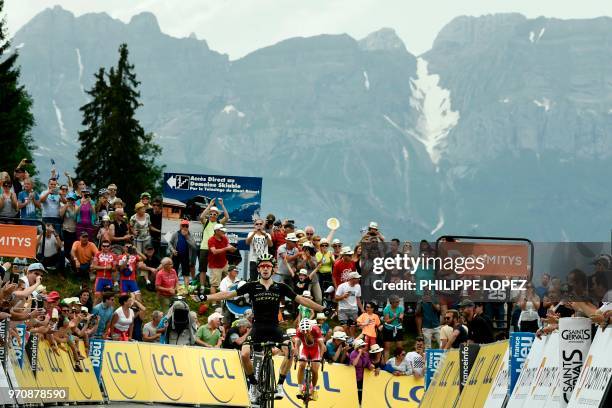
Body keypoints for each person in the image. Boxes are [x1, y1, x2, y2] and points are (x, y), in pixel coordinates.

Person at [195, 253, 326, 403]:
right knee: (244, 354)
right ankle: (253, 385)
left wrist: (322, 308)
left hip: (274, 327)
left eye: (268, 266)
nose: (265, 269)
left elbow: (301, 299)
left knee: (291, 350)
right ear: (258, 269)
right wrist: (206, 297)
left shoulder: (280, 287)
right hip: (257, 327)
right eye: (262, 266)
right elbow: (228, 294)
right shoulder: (251, 286)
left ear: (273, 269)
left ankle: (280, 385)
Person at [198, 199, 229, 287]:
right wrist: (209, 206)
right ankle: (202, 287)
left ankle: (219, 287)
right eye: (211, 213)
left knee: (216, 268)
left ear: (217, 215)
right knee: (203, 269)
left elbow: (226, 217)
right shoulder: (206, 222)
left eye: (214, 214)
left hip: (215, 249)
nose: (212, 215)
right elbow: (201, 217)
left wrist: (222, 204)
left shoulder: (219, 223)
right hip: (204, 248)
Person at [295, 319, 326, 401]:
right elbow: (297, 345)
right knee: (301, 365)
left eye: (307, 330)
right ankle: (299, 388)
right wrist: (296, 355)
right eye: (303, 331)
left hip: (316, 350)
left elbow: (322, 346)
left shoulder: (316, 330)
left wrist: (321, 358)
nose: (305, 332)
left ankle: (314, 389)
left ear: (310, 328)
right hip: (305, 349)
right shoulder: (298, 331)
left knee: (315, 370)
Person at [208, 224, 236, 295]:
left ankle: (224, 301)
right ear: (216, 231)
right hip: (215, 266)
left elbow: (230, 247)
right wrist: (226, 248)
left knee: (228, 282)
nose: (224, 232)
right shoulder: (211, 240)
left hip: (224, 264)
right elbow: (214, 251)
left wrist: (233, 248)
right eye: (222, 231)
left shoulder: (224, 238)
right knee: (214, 285)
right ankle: (214, 303)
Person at [335, 271, 363, 337]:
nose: (359, 279)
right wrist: (343, 296)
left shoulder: (358, 286)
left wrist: (362, 308)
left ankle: (352, 341)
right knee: (345, 327)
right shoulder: (342, 286)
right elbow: (336, 298)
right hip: (343, 310)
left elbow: (358, 298)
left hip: (353, 310)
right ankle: (348, 340)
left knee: (353, 328)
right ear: (352, 279)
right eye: (357, 278)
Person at [350, 338, 374, 404]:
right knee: (354, 394)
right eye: (363, 346)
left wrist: (371, 366)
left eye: (364, 346)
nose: (365, 347)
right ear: (358, 347)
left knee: (361, 394)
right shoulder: (353, 353)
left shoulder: (366, 354)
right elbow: (354, 364)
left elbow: (368, 364)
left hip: (362, 378)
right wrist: (359, 354)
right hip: (354, 377)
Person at [382, 295, 404, 362]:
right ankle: (386, 364)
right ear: (392, 302)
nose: (398, 303)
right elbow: (387, 321)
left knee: (399, 348)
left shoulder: (401, 308)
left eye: (398, 302)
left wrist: (401, 318)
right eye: (397, 302)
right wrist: (394, 318)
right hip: (388, 329)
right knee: (387, 348)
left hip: (398, 328)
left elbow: (401, 318)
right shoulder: (386, 309)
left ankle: (399, 362)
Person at [60, 192, 79, 259]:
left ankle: (72, 261)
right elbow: (61, 215)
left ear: (74, 200)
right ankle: (65, 261)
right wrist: (66, 206)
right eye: (69, 199)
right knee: (66, 247)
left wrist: (75, 208)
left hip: (74, 230)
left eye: (72, 199)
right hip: (66, 229)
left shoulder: (76, 207)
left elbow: (77, 218)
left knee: (73, 247)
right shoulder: (64, 206)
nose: (70, 201)